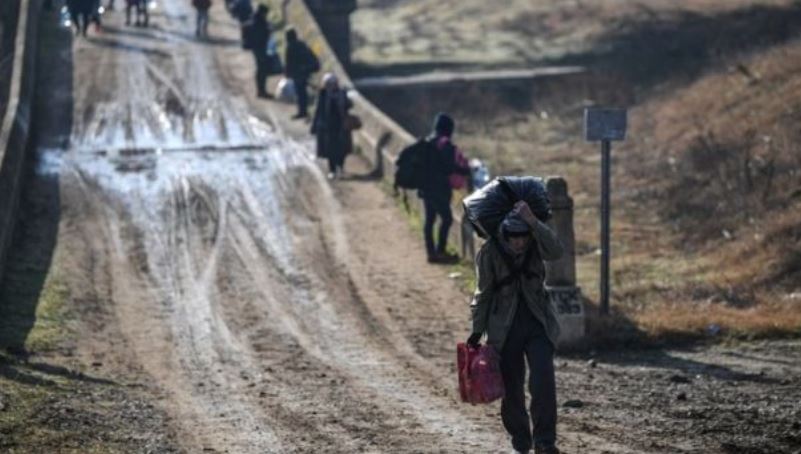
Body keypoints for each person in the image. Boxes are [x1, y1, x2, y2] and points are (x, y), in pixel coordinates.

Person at [467, 202, 564, 454]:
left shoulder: (536, 242)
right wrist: (477, 331)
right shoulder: (489, 252)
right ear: (504, 234)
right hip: (504, 328)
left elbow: (556, 250)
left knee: (543, 381)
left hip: (538, 323)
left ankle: (545, 441)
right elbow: (483, 293)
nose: (519, 243)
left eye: (523, 237)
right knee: (512, 388)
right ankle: (521, 441)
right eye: (514, 237)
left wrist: (533, 222)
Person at [419, 113, 470, 264]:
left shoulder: (427, 141)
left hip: (425, 187)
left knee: (429, 220)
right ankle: (440, 251)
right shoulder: (445, 144)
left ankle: (431, 253)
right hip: (439, 189)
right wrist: (464, 171)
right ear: (449, 129)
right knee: (447, 219)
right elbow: (448, 167)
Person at [311, 73, 353, 179]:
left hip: (341, 126)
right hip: (328, 127)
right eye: (329, 84)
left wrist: (346, 101)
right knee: (330, 150)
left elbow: (348, 105)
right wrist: (315, 126)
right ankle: (332, 170)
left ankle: (341, 167)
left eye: (333, 83)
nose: (331, 85)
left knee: (342, 149)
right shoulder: (323, 94)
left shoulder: (342, 93)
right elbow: (319, 111)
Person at [284, 28, 319, 119]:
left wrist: (287, 73)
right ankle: (306, 110)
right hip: (306, 70)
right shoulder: (301, 44)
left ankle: (303, 112)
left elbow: (289, 62)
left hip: (298, 73)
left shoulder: (290, 47)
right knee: (304, 91)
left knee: (300, 93)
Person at [245, 4, 271, 98]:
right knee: (262, 70)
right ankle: (261, 91)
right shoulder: (260, 22)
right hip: (260, 48)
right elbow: (263, 35)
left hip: (257, 48)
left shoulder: (255, 20)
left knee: (261, 70)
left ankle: (261, 91)